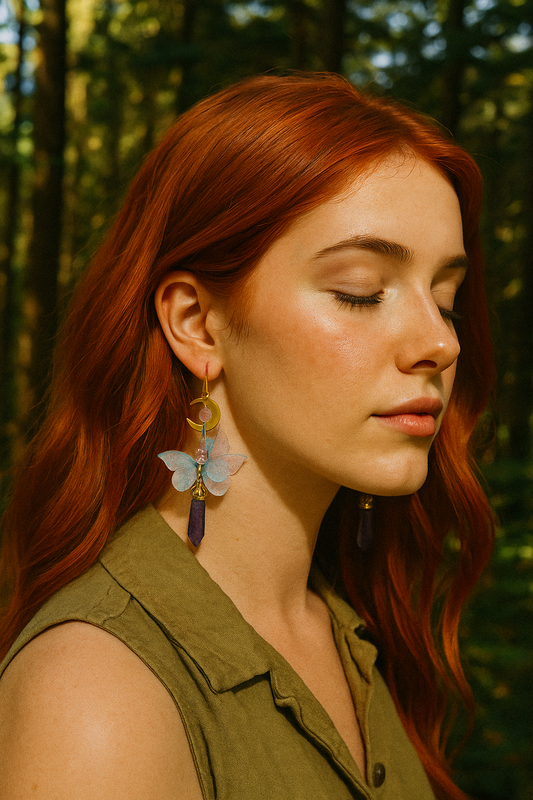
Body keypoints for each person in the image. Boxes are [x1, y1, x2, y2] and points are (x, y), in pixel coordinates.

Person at [0, 73, 494, 800]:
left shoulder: (348, 635)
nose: (438, 342)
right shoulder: (98, 696)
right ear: (196, 324)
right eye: (360, 289)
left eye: (443, 297)